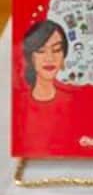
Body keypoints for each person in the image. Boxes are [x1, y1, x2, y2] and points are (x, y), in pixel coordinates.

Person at [15, 19, 74, 153]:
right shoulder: (18, 103)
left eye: (56, 50)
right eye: (41, 50)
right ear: (31, 57)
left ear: (63, 56)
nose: (50, 58)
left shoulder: (72, 102)